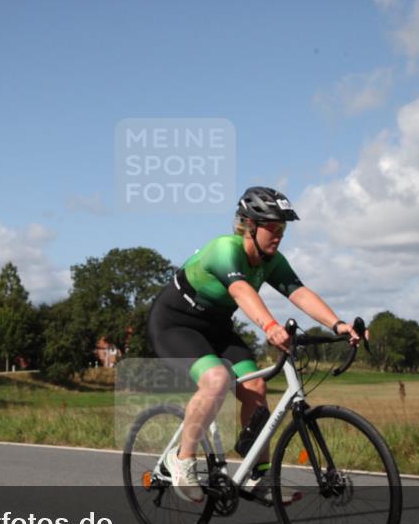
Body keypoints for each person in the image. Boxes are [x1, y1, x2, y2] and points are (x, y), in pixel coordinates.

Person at [146, 186, 363, 504]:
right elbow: (240, 291)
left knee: (256, 387)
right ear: (249, 225)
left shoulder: (272, 261)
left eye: (283, 229)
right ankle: (181, 460)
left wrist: (338, 325)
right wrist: (270, 326)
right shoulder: (224, 249)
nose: (279, 235)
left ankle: (257, 474)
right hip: (175, 324)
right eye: (272, 227)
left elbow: (299, 292)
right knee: (216, 380)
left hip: (217, 327)